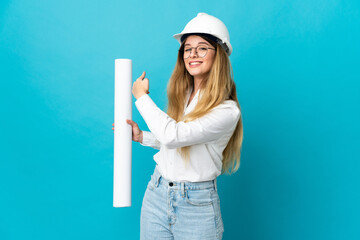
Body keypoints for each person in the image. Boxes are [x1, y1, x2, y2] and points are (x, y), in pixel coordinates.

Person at [113, 12, 243, 240]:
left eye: (202, 48)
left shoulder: (227, 111)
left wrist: (141, 97)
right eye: (187, 48)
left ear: (219, 55)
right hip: (157, 193)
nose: (193, 54)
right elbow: (176, 143)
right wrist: (142, 136)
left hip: (196, 205)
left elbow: (174, 135)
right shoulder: (184, 94)